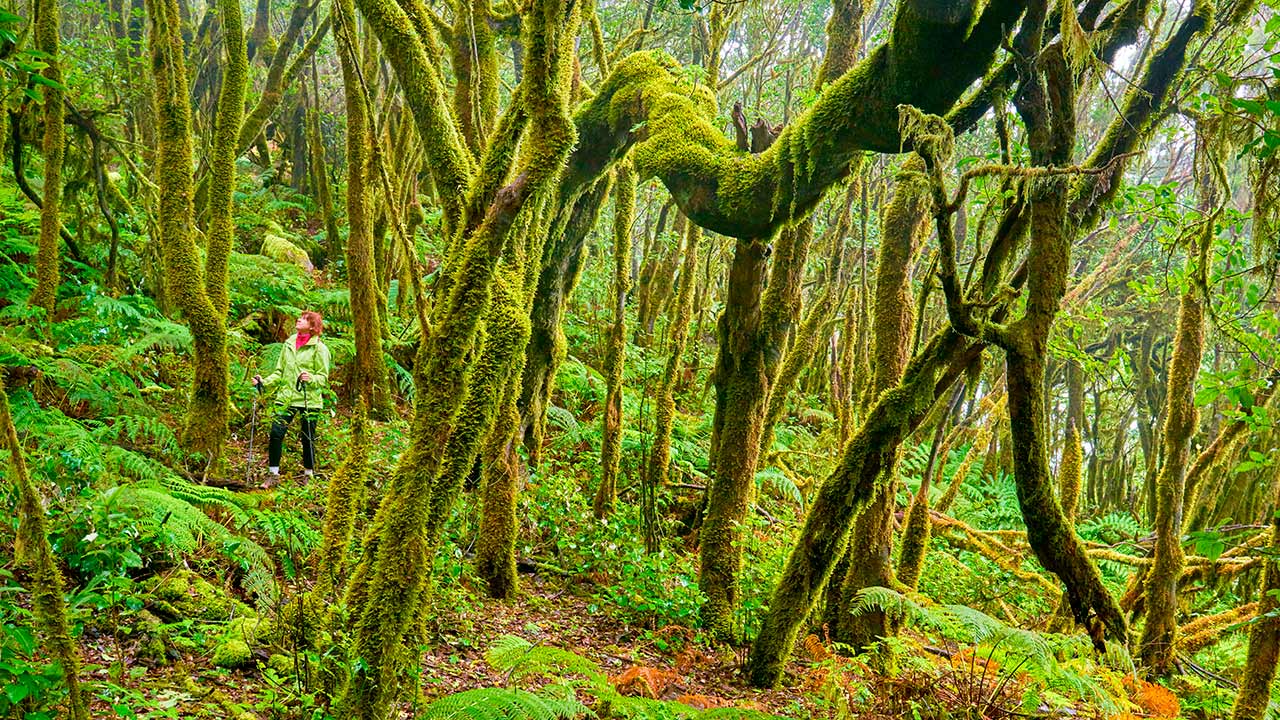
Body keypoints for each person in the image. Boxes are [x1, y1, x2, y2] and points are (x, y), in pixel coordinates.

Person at [254, 311, 331, 485]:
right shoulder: (288, 344)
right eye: (300, 317)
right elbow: (279, 372)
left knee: (307, 437)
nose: (299, 319)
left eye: (304, 319)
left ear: (312, 326)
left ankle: (308, 474)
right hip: (286, 398)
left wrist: (310, 378)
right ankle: (273, 474)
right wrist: (263, 382)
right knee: (276, 433)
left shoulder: (320, 348)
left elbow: (323, 378)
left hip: (308, 399)